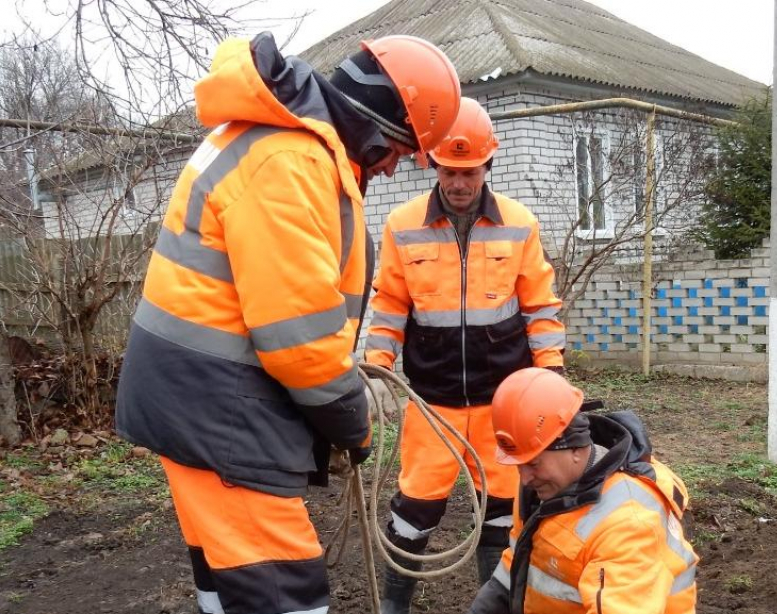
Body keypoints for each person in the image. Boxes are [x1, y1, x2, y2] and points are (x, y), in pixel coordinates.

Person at [115, 31, 460, 614]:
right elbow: (297, 340)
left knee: (225, 578)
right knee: (285, 591)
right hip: (222, 416)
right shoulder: (290, 162)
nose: (396, 168)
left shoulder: (278, 141)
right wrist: (353, 419)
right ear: (380, 129)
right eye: (401, 152)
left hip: (198, 401)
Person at [365, 97, 566, 614]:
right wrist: (379, 370)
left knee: (503, 512)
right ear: (433, 164)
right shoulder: (402, 224)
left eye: (469, 171)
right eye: (450, 171)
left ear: (487, 166)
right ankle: (394, 606)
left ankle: (493, 605)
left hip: (506, 402)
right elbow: (389, 304)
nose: (459, 183)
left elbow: (540, 306)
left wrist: (552, 379)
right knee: (414, 509)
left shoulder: (518, 223)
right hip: (433, 403)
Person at [467, 367, 698, 614]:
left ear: (575, 448)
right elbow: (517, 564)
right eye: (518, 464)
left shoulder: (627, 525)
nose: (524, 478)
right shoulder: (542, 488)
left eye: (533, 464)